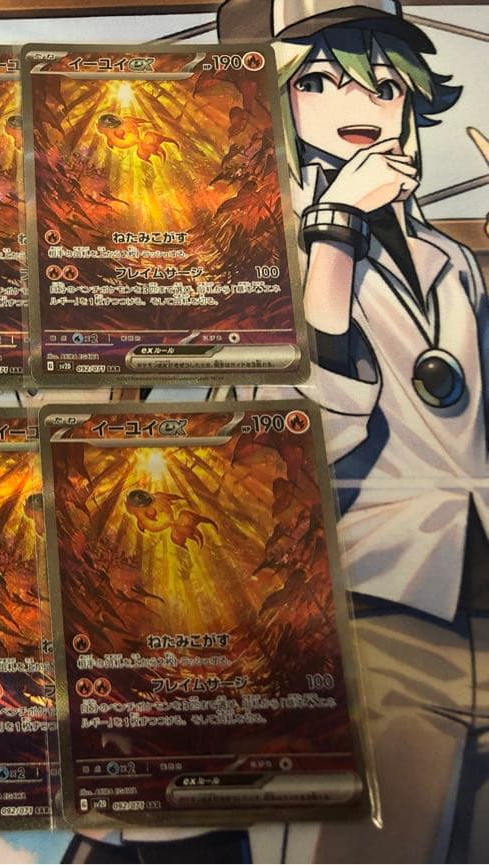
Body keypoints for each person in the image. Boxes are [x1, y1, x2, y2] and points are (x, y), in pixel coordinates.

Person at [215, 1, 488, 860]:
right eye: (323, 80)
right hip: (367, 619)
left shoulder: (451, 261)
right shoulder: (250, 260)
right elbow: (294, 445)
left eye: (384, 82)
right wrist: (331, 229)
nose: (363, 102)